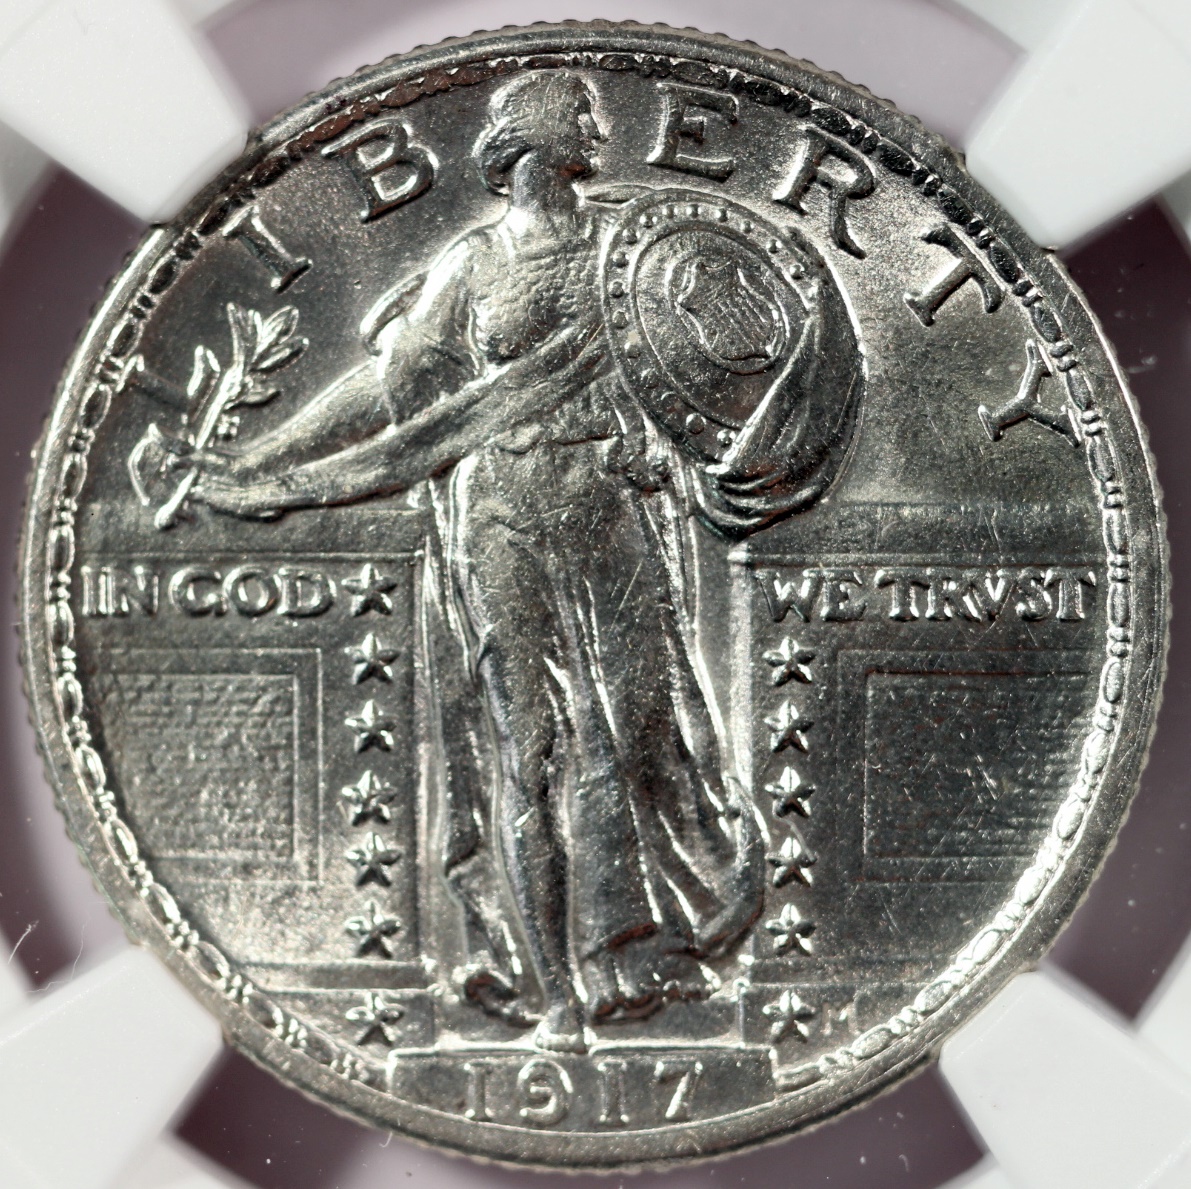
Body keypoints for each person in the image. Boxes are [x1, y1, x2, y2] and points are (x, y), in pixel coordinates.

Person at [191, 70, 861, 1053]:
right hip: (500, 513)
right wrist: (267, 465)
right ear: (535, 139)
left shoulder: (633, 247)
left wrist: (680, 447)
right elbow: (388, 390)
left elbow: (712, 367)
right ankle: (553, 993)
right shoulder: (474, 264)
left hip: (612, 509)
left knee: (635, 737)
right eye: (579, 115)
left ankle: (628, 953)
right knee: (529, 750)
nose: (598, 124)